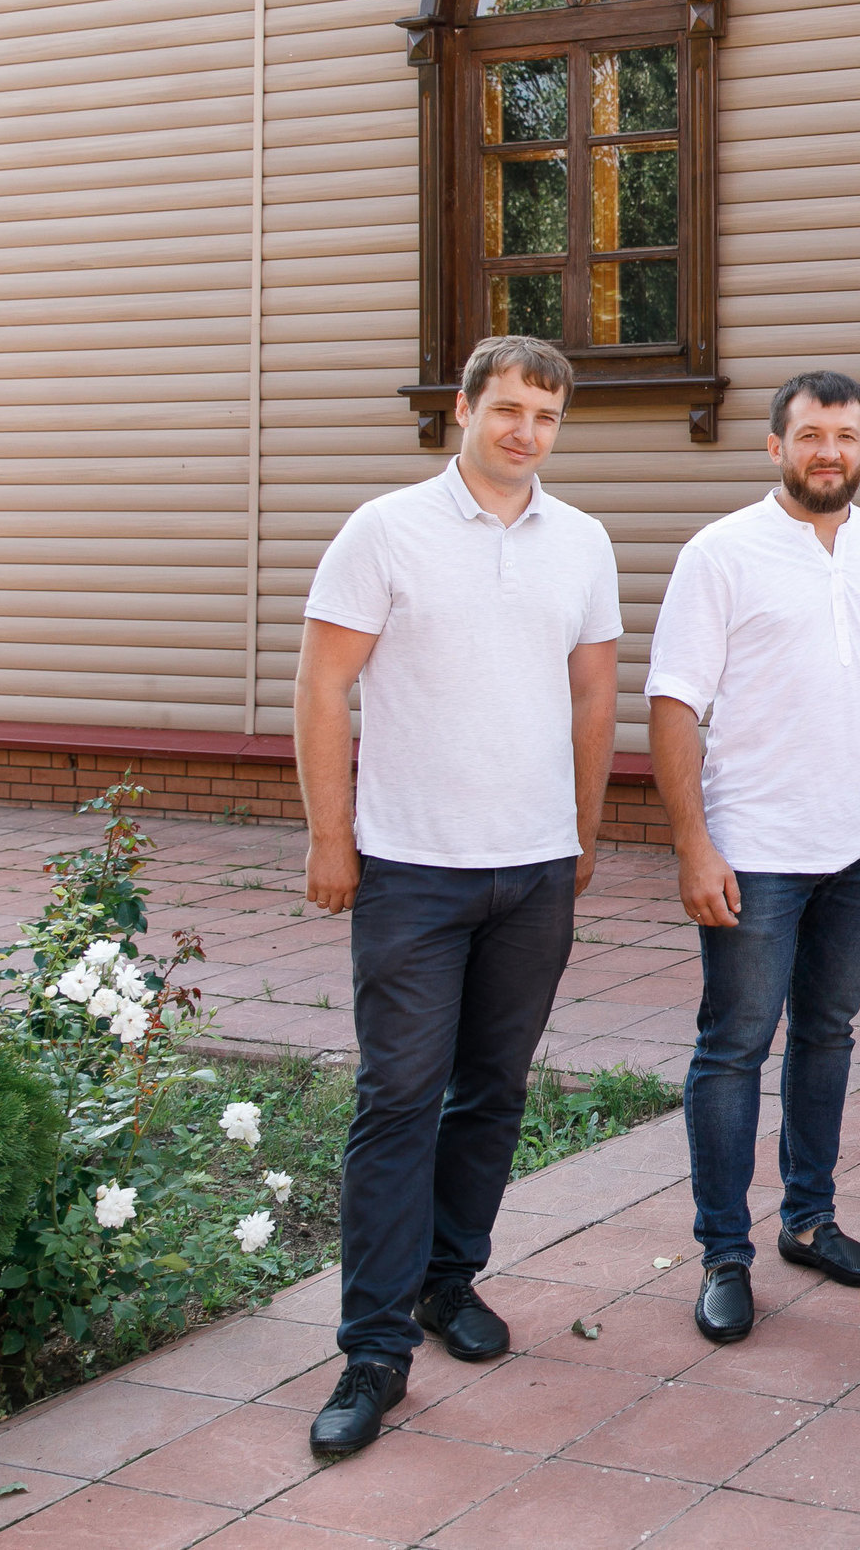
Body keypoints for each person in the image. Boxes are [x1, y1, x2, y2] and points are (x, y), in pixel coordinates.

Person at [293, 335, 619, 1455]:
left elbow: (593, 692)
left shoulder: (581, 541)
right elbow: (323, 685)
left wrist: (582, 830)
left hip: (534, 871)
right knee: (397, 1100)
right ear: (465, 409)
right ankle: (373, 1351)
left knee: (491, 1092)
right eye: (509, 408)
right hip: (410, 871)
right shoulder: (385, 530)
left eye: (547, 415)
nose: (526, 431)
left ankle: (447, 1281)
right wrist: (330, 837)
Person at [647, 370, 860, 1344]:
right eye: (811, 434)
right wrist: (694, 843)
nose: (829, 451)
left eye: (846, 435)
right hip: (755, 848)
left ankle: (809, 1218)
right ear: (775, 445)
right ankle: (723, 1255)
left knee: (829, 1033)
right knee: (735, 1045)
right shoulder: (720, 553)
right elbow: (673, 703)